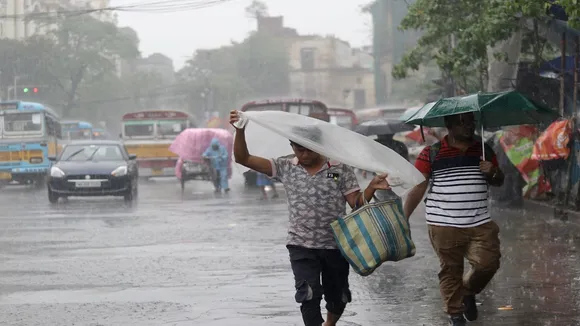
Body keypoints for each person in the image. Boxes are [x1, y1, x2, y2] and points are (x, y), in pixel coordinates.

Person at [229, 110, 389, 326]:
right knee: (308, 294)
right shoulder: (285, 167)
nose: (304, 155)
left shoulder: (338, 170)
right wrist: (240, 131)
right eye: (298, 149)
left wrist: (371, 187)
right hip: (300, 245)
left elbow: (357, 204)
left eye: (309, 150)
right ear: (292, 148)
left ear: (320, 146)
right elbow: (243, 158)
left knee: (338, 296)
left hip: (336, 244)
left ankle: (330, 323)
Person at [403, 112, 505, 326]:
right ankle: (456, 315)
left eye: (471, 122)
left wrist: (492, 171)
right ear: (448, 125)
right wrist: (404, 217)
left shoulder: (484, 149)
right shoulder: (431, 153)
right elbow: (418, 186)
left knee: (488, 264)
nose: (469, 126)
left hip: (480, 223)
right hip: (443, 224)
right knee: (450, 270)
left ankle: (467, 291)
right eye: (462, 122)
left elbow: (499, 181)